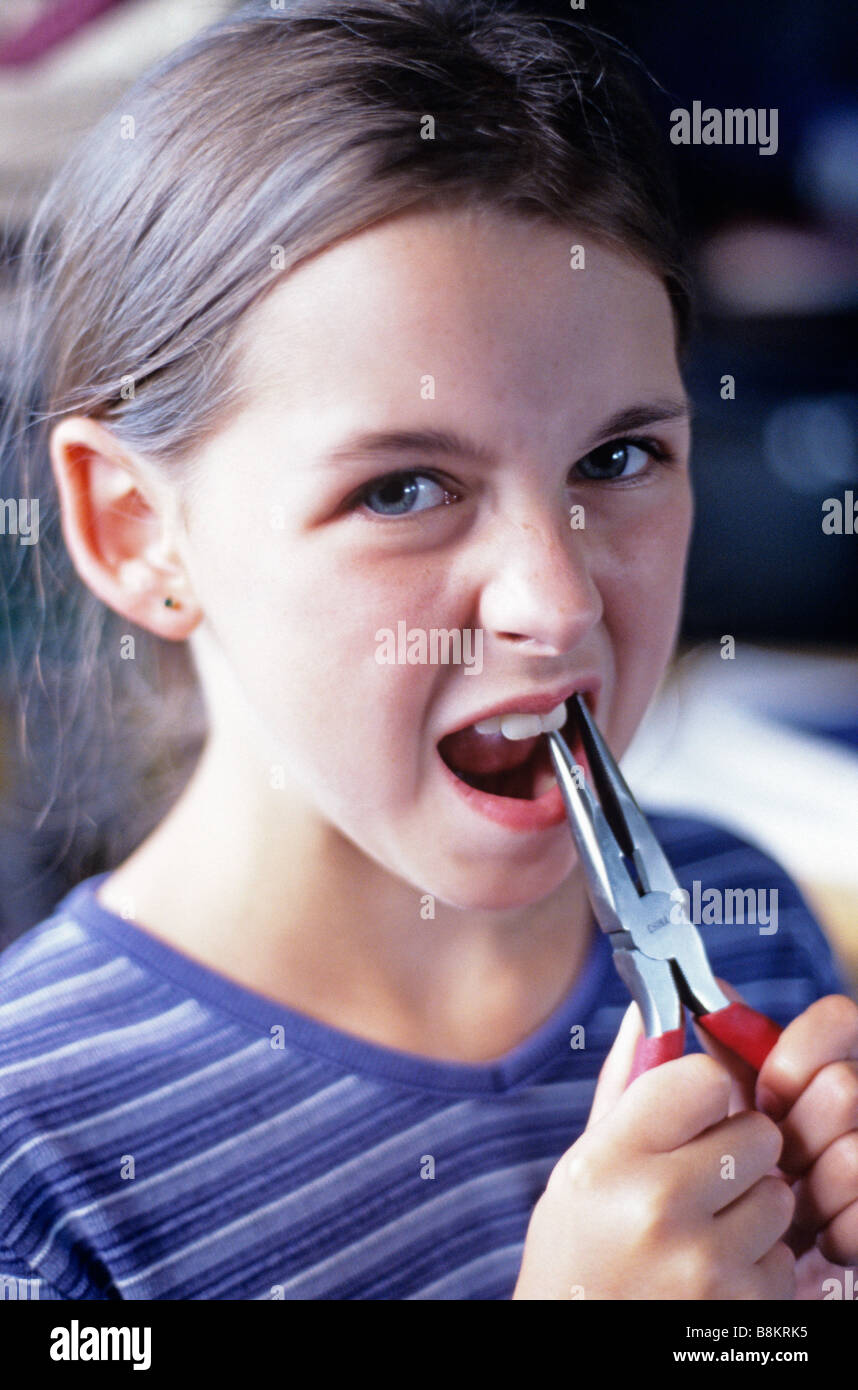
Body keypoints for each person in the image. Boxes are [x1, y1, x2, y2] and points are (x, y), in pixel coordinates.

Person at [0, 0, 855, 1301]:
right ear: (135, 532)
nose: (555, 602)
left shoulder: (750, 929)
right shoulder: (34, 1176)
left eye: (616, 458)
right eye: (403, 488)